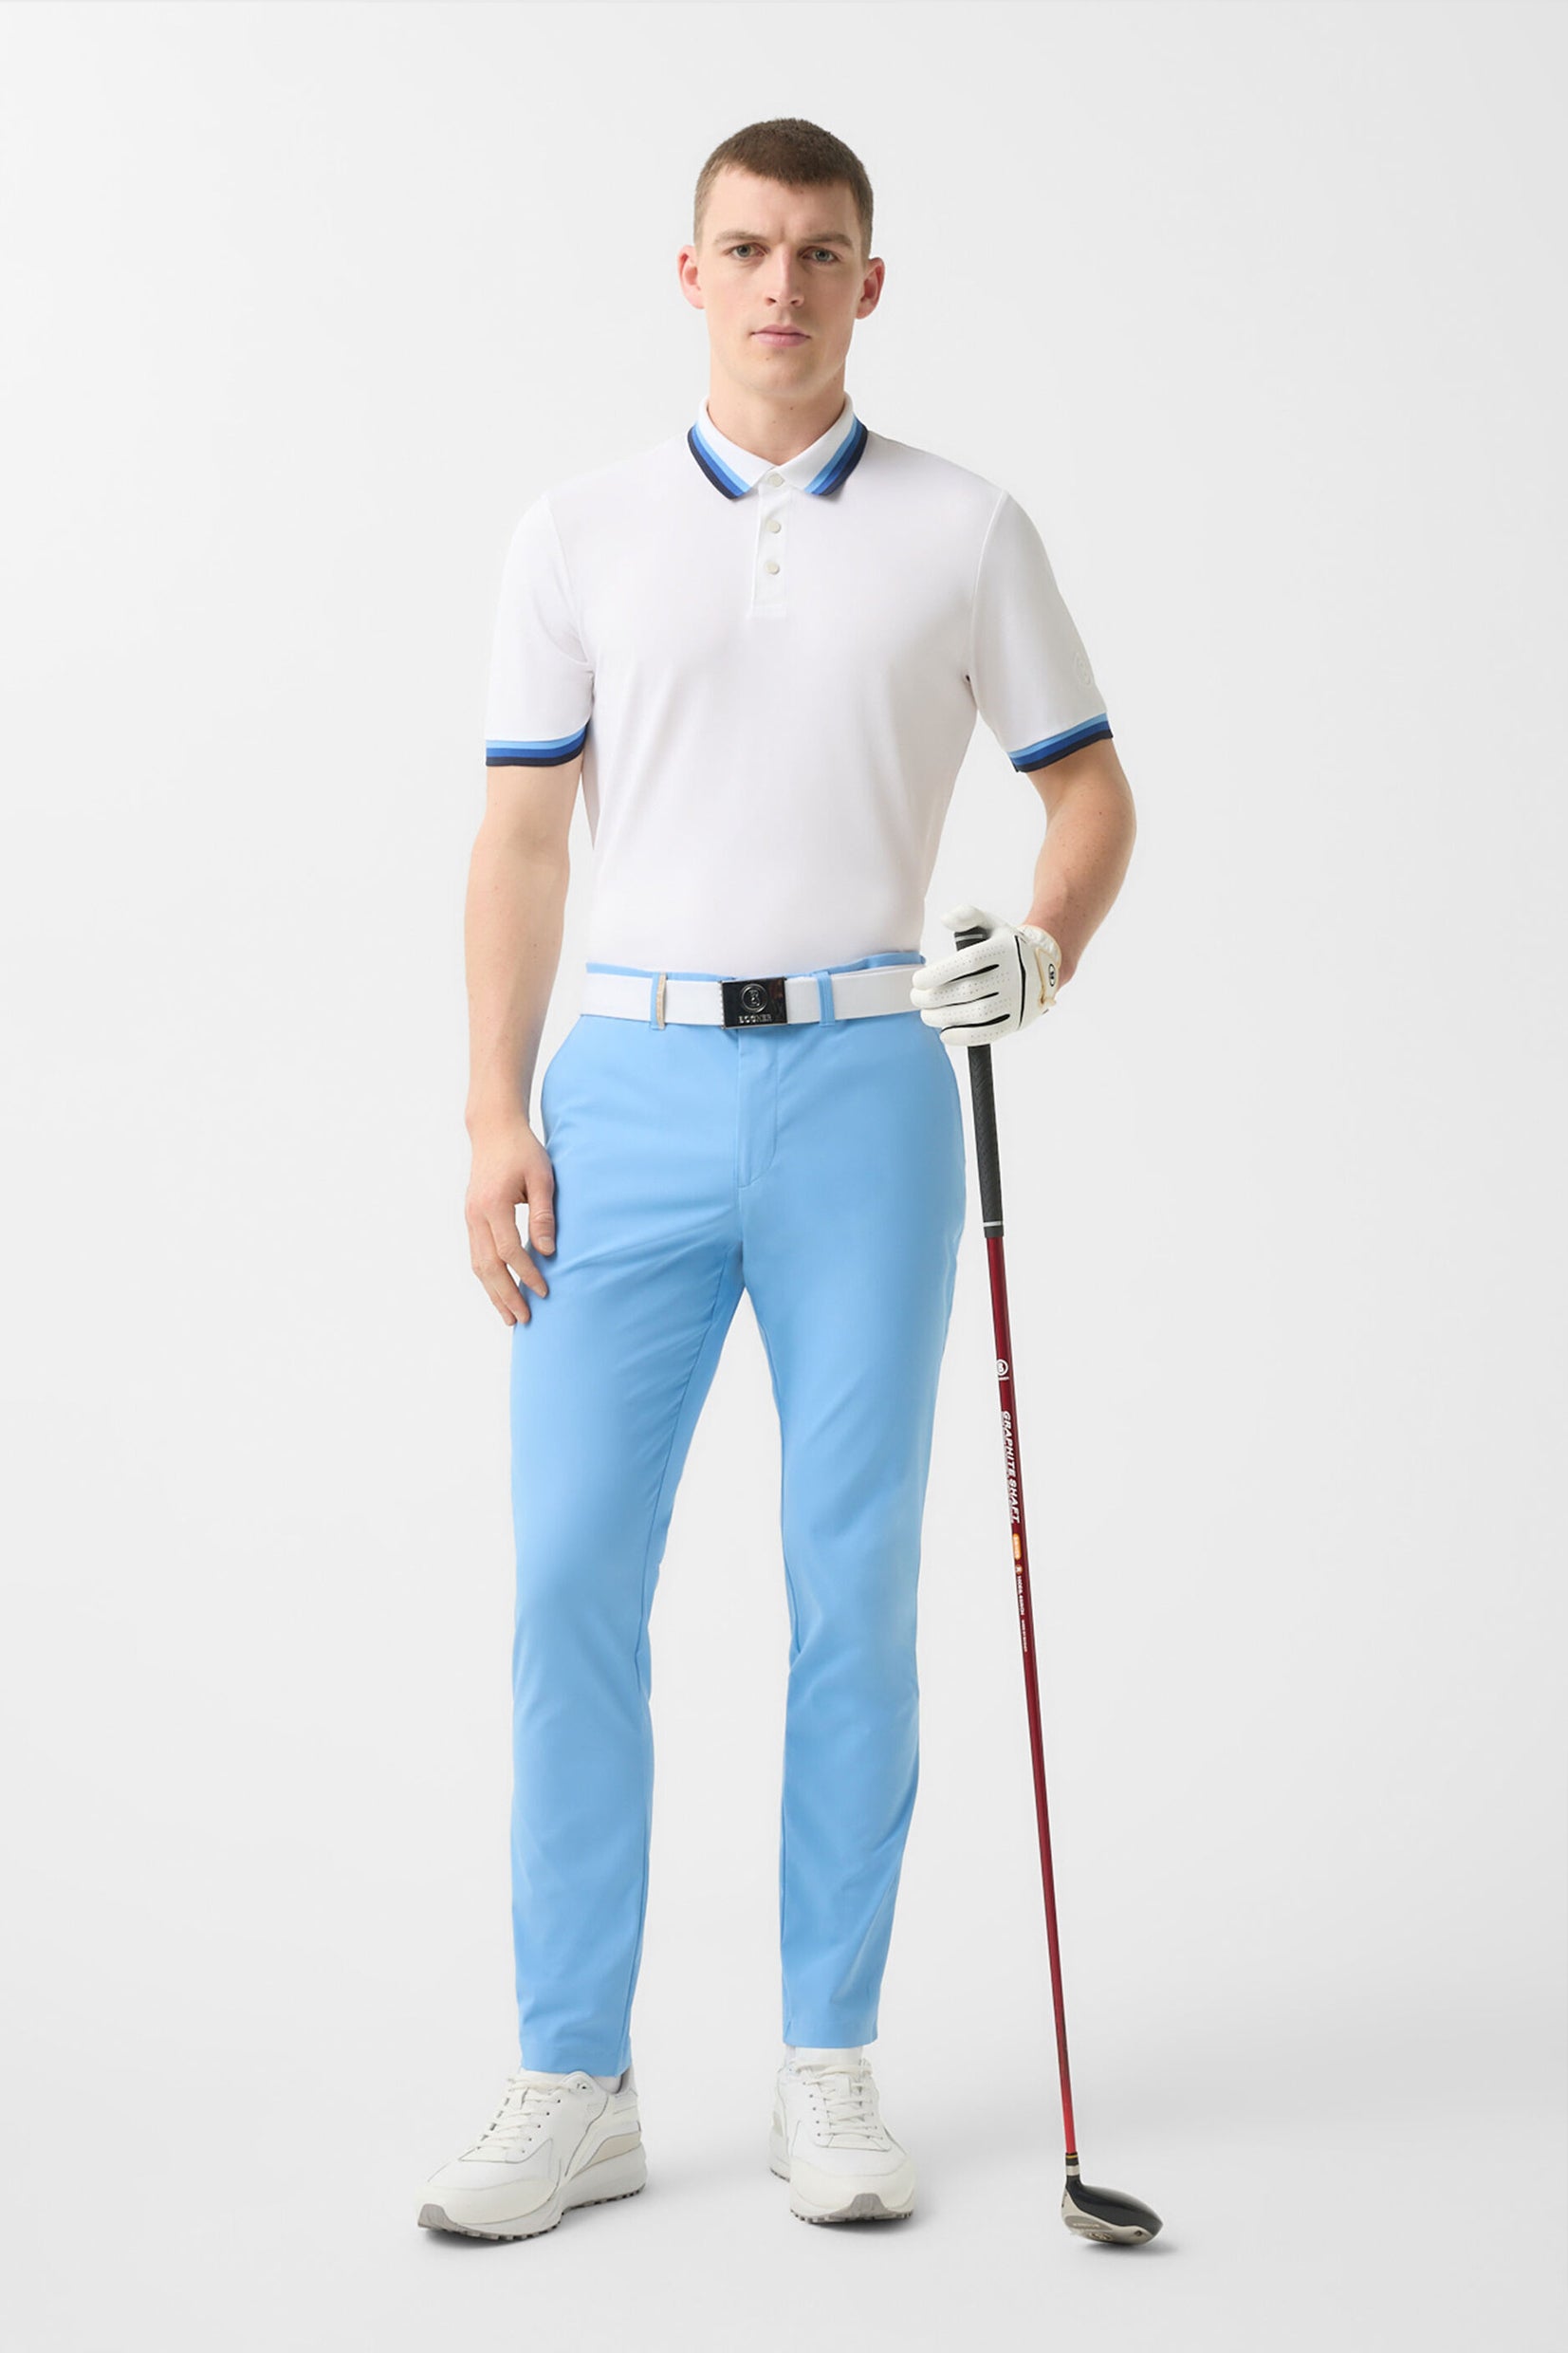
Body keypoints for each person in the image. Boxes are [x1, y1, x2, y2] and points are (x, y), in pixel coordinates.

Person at [416, 116, 1136, 2242]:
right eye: (745, 248)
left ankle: (829, 2060)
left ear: (867, 284)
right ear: (689, 271)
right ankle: (575, 2077)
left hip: (863, 1084)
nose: (780, 285)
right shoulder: (577, 531)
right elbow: (519, 838)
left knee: (852, 1581)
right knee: (570, 1577)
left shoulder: (962, 526)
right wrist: (491, 1110)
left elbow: (1089, 792)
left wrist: (1043, 941)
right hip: (623, 1094)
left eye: (820, 252)